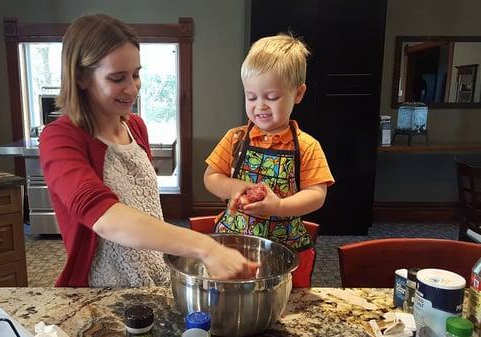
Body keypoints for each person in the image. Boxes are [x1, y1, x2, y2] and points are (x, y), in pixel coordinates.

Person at [39, 13, 257, 288]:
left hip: (154, 276)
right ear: (81, 77)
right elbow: (103, 216)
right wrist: (204, 246)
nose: (132, 89)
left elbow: (147, 209)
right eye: (117, 78)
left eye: (136, 74)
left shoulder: (136, 127)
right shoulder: (60, 137)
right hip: (105, 288)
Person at [204, 34, 335, 288]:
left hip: (286, 249)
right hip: (235, 244)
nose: (260, 106)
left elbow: (317, 194)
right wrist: (234, 188)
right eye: (251, 97)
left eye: (271, 97)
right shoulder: (235, 139)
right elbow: (210, 177)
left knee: (286, 305)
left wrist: (279, 207)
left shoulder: (307, 146)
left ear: (298, 94)